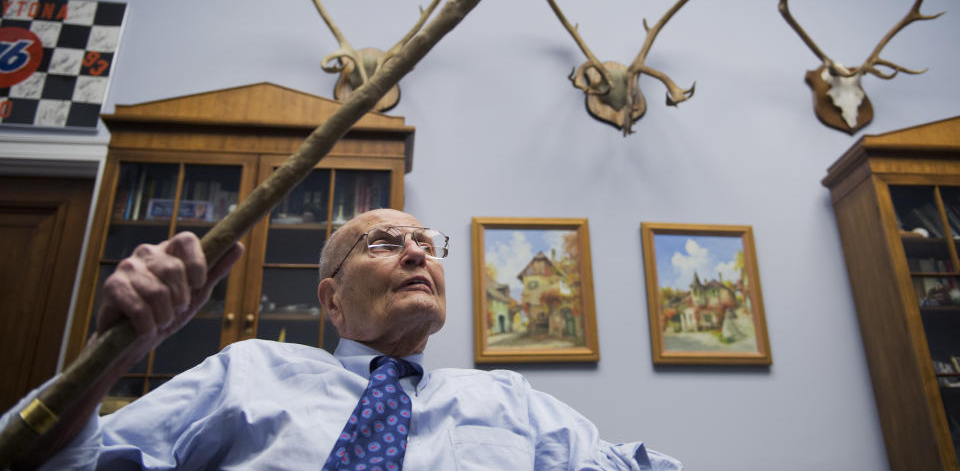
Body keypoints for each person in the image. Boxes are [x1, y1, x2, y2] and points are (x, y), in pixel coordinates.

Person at [4, 208, 682, 470]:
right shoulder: (248, 371)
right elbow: (45, 463)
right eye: (385, 242)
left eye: (426, 243)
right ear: (331, 297)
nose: (417, 253)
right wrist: (111, 354)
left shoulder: (512, 401)